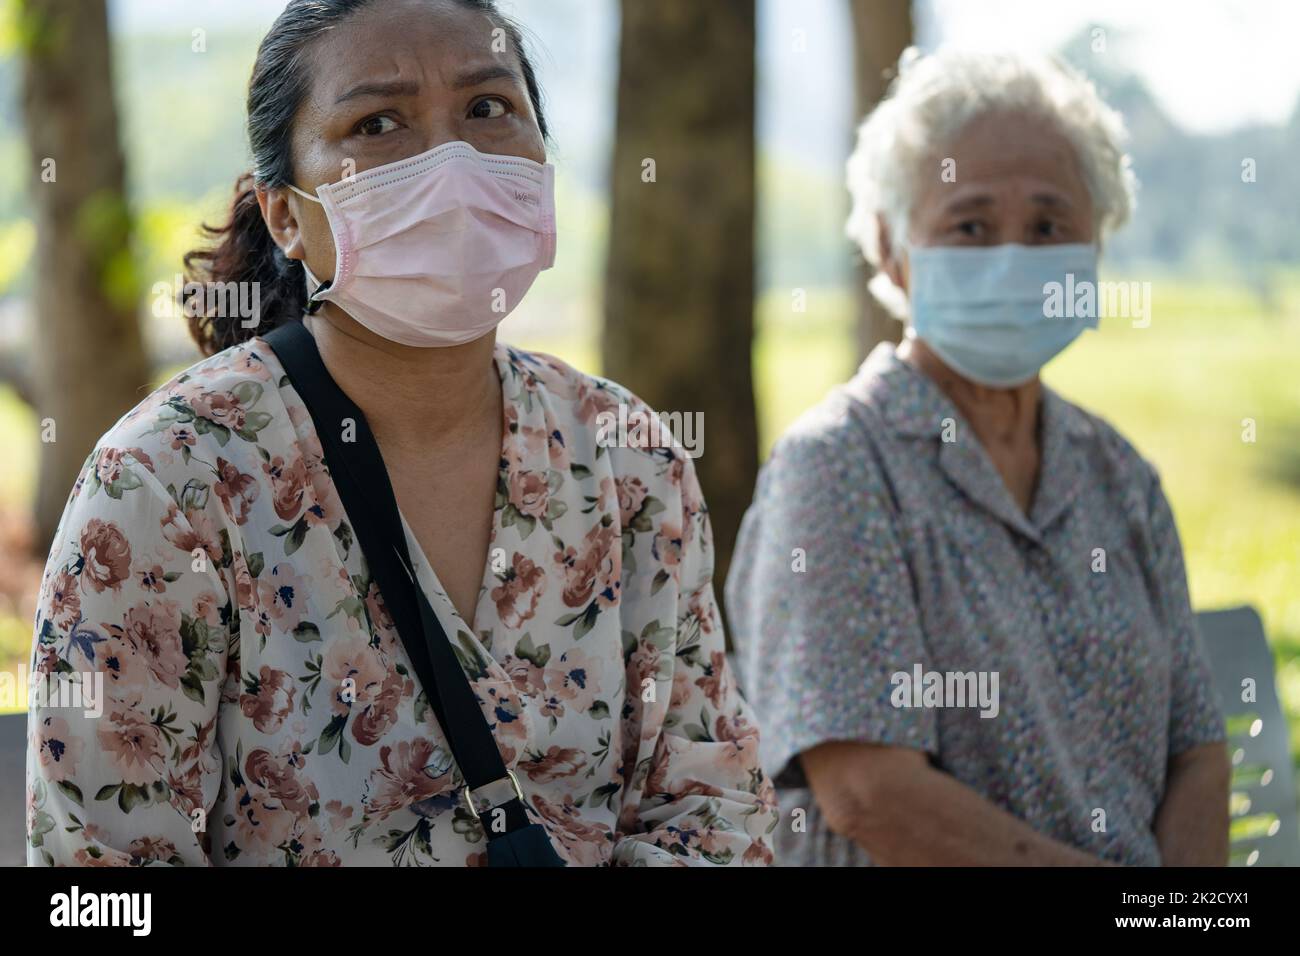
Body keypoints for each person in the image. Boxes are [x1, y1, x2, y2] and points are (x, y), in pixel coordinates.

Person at [27, 0, 776, 867]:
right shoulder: (167, 482)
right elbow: (100, 883)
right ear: (286, 217)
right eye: (376, 123)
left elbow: (714, 808)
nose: (449, 162)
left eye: (488, 109)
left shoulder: (625, 456)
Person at [726, 48, 1228, 867]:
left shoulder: (1118, 475)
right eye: (969, 224)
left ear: (1094, 249)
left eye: (1048, 226)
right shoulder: (838, 467)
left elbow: (1196, 750)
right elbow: (867, 792)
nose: (1013, 257)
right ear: (892, 248)